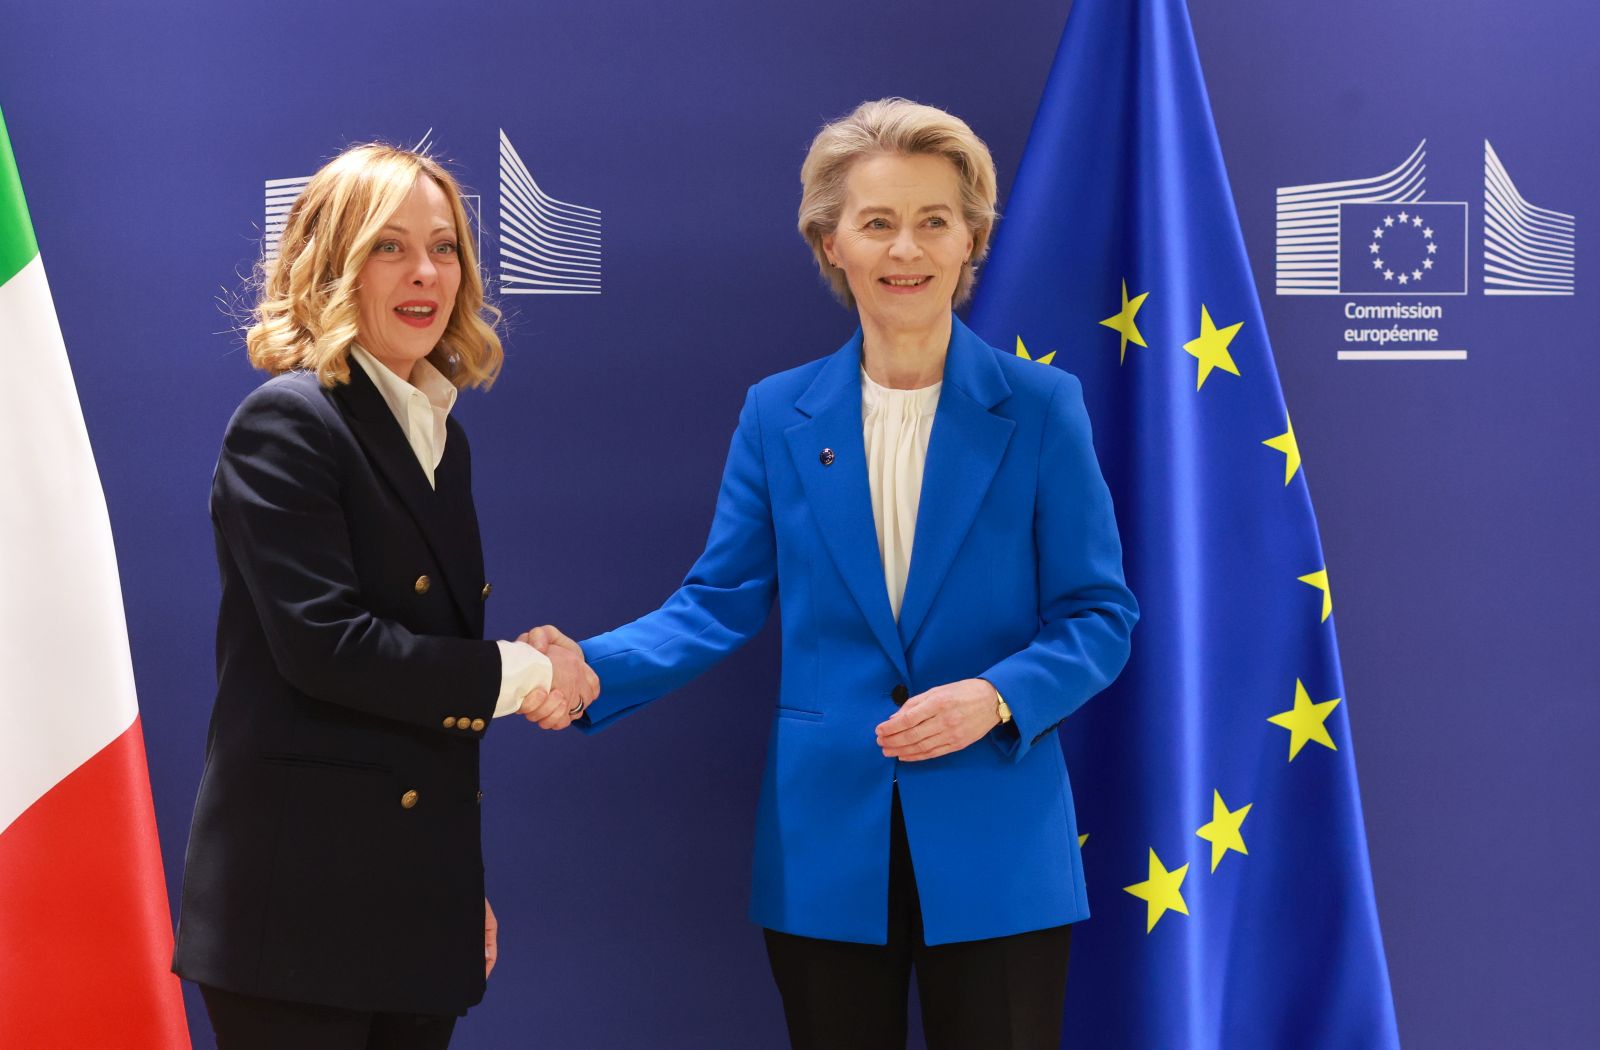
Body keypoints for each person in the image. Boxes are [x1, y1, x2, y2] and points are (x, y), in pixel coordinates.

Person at [525, 98, 1138, 1049]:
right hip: (826, 848)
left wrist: (995, 695)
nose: (908, 249)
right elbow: (719, 599)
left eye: (936, 220)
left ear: (972, 239)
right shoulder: (777, 415)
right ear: (831, 242)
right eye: (878, 222)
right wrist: (592, 668)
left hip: (999, 844)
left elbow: (1099, 615)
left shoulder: (1044, 408)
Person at [171, 143, 597, 1049]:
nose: (425, 273)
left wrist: (444, 884)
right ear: (331, 265)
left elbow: (415, 703)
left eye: (444, 248)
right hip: (295, 923)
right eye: (388, 247)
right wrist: (523, 674)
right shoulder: (289, 420)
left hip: (405, 913)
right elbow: (331, 648)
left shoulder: (442, 434)